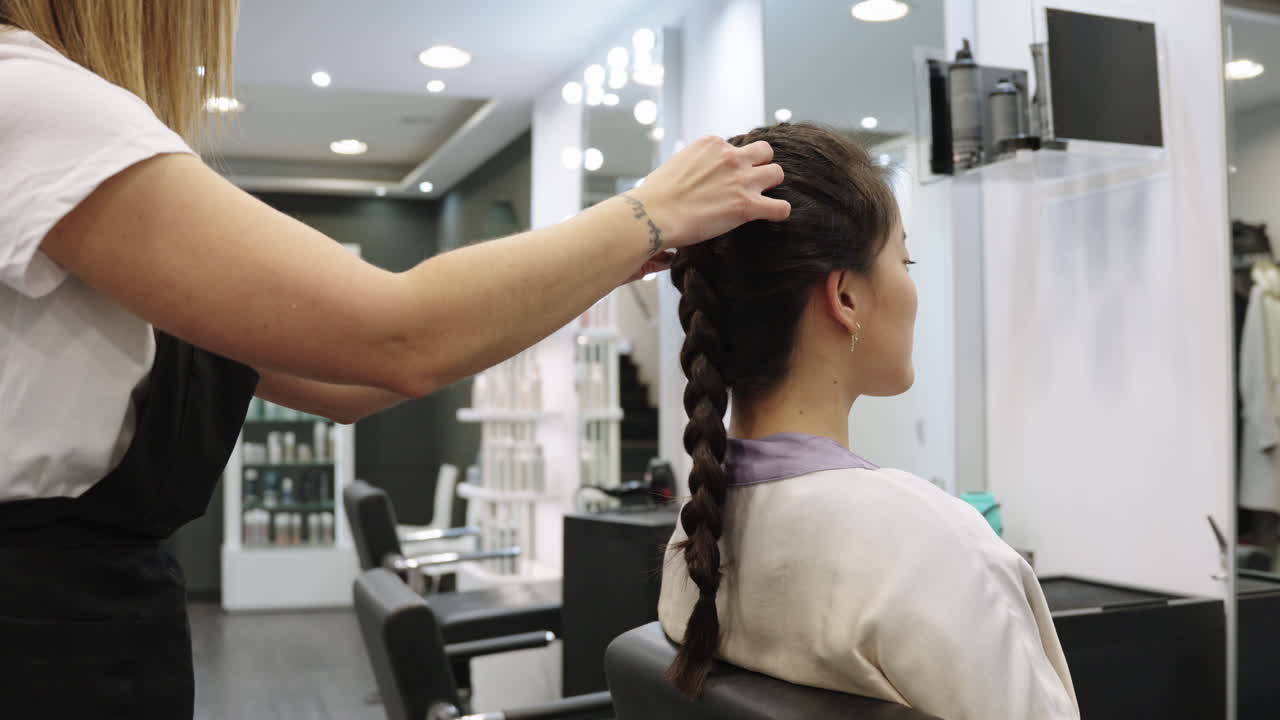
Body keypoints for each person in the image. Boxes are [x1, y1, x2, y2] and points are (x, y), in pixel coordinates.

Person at [0, 1, 789, 717]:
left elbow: (349, 384)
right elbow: (400, 337)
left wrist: (592, 267)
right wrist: (649, 210)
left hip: (102, 638)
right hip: (43, 644)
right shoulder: (33, 95)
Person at [657, 123, 1079, 720]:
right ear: (846, 298)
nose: (912, 284)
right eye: (905, 259)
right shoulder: (929, 548)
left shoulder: (694, 541)